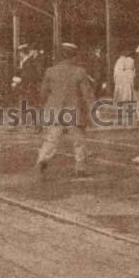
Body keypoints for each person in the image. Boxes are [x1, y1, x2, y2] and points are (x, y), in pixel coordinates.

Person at [35, 43, 96, 180]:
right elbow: (87, 94)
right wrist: (93, 109)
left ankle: (42, 160)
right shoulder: (80, 71)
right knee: (79, 141)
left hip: (54, 110)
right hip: (74, 111)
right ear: (74, 56)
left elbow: (43, 93)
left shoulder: (50, 71)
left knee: (51, 140)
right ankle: (80, 167)